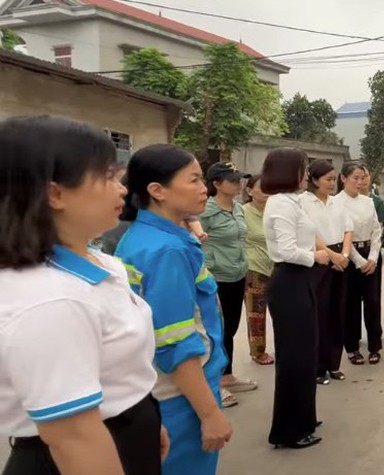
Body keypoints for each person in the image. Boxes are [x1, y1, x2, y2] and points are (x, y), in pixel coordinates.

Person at [0, 116, 166, 475]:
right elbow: (74, 437)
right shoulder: (50, 301)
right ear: (54, 193)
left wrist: (144, 418)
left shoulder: (95, 261)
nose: (121, 188)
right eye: (107, 176)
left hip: (120, 431)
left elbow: (115, 371)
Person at [116, 143, 232, 475]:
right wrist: (209, 414)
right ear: (157, 191)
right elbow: (176, 342)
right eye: (193, 180)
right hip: (181, 398)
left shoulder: (146, 236)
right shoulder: (166, 250)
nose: (204, 189)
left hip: (164, 390)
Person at [262, 147, 329, 449]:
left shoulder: (293, 201)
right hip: (289, 280)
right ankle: (288, 431)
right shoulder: (280, 204)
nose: (307, 175)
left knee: (306, 353)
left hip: (300, 279)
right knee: (293, 358)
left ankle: (304, 416)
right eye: (303, 169)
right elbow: (287, 250)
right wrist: (316, 256)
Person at [200, 162, 257, 407]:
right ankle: (214, 384)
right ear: (216, 184)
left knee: (231, 329)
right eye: (232, 180)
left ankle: (227, 375)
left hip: (236, 275)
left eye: (239, 179)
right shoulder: (205, 211)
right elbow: (196, 245)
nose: (238, 183)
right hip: (216, 278)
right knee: (216, 331)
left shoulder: (238, 209)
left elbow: (242, 241)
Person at [300, 159, 353, 385]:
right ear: (313, 180)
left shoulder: (336, 203)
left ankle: (334, 364)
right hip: (318, 258)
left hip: (341, 257)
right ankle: (317, 368)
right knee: (318, 315)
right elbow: (308, 234)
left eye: (334, 179)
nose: (332, 183)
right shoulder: (303, 202)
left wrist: (345, 255)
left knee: (337, 313)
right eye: (328, 179)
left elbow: (348, 230)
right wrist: (332, 256)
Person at [334, 163, 384, 366]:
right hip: (348, 255)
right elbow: (342, 233)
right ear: (343, 178)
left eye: (363, 177)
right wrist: (359, 261)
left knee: (373, 303)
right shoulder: (335, 203)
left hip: (370, 253)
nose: (360, 182)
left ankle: (375, 346)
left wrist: (372, 257)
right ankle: (352, 347)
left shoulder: (368, 201)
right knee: (351, 304)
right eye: (355, 177)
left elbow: (376, 230)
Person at [243, 175, 275, 366]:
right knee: (256, 313)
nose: (266, 191)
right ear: (249, 191)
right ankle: (258, 352)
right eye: (261, 187)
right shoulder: (242, 212)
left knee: (282, 312)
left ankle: (285, 346)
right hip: (254, 268)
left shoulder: (275, 212)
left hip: (278, 267)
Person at [360, 164, 384, 251]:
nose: (363, 180)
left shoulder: (377, 202)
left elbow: (380, 228)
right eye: (359, 177)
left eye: (366, 176)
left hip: (372, 247)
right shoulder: (347, 200)